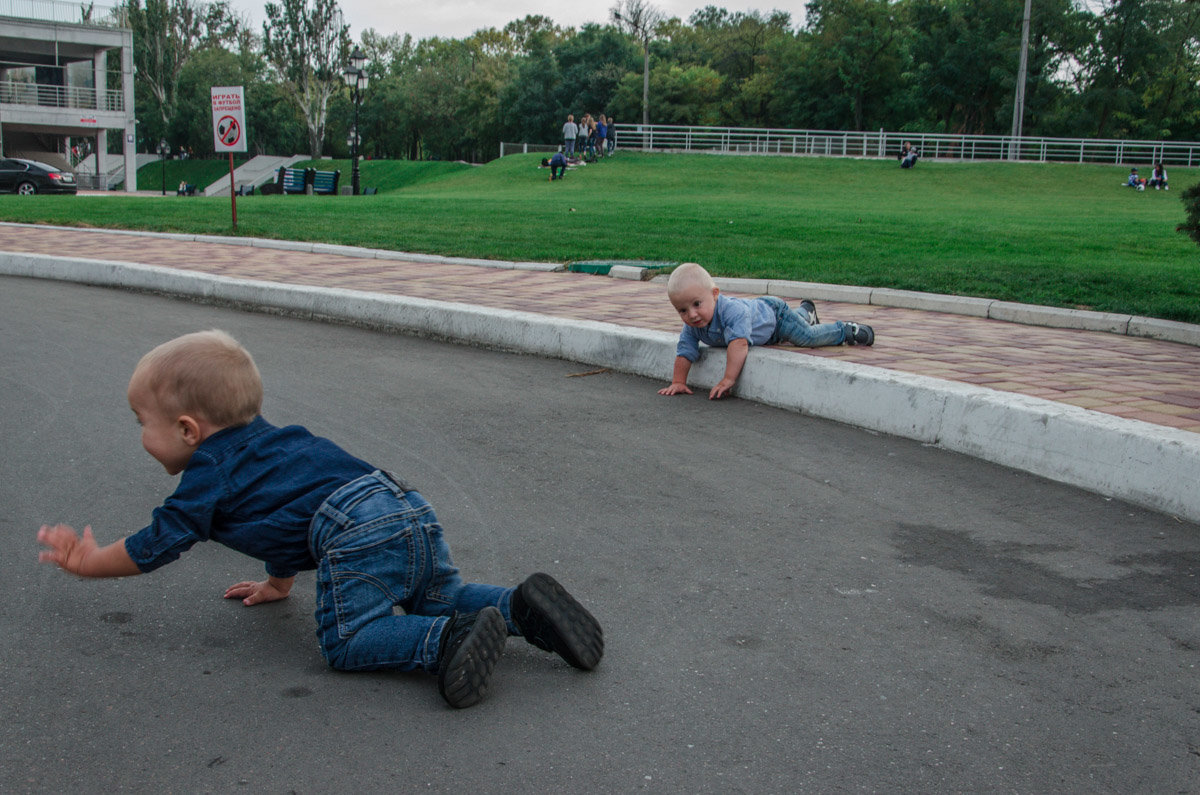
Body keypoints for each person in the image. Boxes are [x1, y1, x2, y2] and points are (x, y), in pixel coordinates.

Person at [36, 330, 604, 709]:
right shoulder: (274, 444)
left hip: (356, 531)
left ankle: (443, 641)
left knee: (348, 638)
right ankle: (516, 608)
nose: (140, 435)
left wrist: (89, 562)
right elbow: (285, 517)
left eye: (141, 421)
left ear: (188, 430)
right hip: (406, 506)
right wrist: (278, 581)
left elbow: (154, 545)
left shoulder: (208, 474)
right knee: (437, 590)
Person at [657, 263, 875, 400]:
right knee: (793, 330)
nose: (692, 315)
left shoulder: (732, 312)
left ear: (714, 294)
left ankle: (845, 330)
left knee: (805, 337)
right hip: (767, 332)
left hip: (775, 316)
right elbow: (685, 350)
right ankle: (804, 312)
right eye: (682, 310)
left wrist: (728, 379)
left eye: (697, 304)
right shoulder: (693, 326)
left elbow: (739, 344)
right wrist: (678, 381)